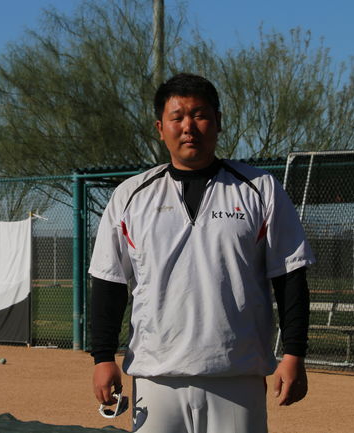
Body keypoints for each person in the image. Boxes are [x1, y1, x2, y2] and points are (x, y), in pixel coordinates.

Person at [89, 72, 314, 432]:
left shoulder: (260, 189)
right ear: (160, 128)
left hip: (237, 375)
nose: (188, 127)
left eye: (200, 115)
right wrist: (102, 358)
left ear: (218, 122)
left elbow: (290, 277)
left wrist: (294, 353)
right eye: (177, 117)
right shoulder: (130, 196)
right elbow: (108, 284)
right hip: (156, 377)